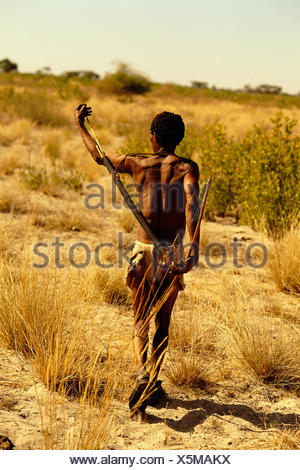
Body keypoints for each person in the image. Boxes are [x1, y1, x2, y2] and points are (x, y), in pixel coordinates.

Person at [74, 104, 200, 419]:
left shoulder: (138, 162)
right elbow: (192, 205)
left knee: (140, 319)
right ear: (178, 140)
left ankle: (143, 372)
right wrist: (193, 248)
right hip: (171, 253)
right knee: (163, 321)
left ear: (153, 138)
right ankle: (152, 377)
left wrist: (81, 126)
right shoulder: (187, 168)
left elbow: (99, 156)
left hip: (144, 251)